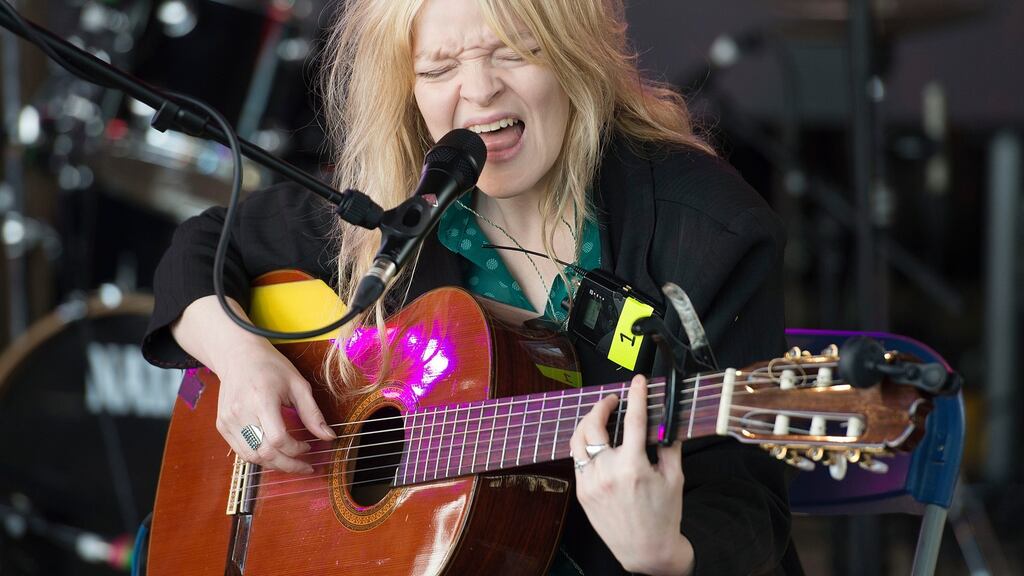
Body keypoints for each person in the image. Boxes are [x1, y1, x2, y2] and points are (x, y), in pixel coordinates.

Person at [143, 0, 801, 574]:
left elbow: (751, 504)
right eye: (438, 69)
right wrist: (240, 358)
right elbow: (200, 247)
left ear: (575, 54)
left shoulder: (710, 227)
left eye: (512, 52)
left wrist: (666, 555)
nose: (479, 91)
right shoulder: (397, 206)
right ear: (407, 90)